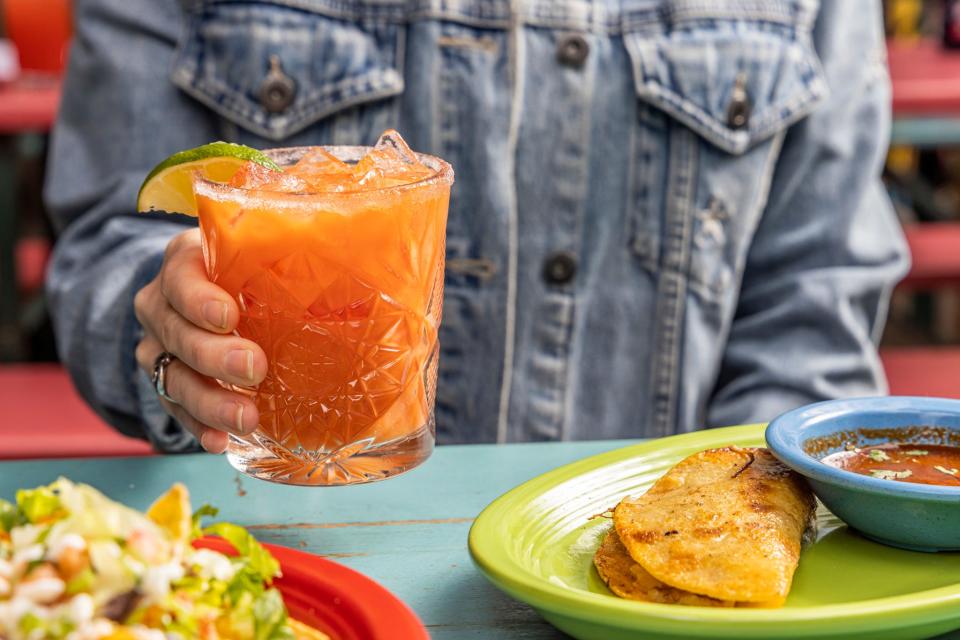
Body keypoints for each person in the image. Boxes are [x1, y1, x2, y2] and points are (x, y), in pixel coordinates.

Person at [45, 0, 907, 454]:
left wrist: (733, 534)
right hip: (291, 564)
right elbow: (105, 241)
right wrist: (163, 327)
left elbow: (812, 298)